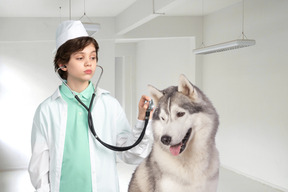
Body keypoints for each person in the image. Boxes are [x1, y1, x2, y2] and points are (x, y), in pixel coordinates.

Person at [28, 20, 153, 192]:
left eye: (92, 57)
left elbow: (131, 154)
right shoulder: (47, 110)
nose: (89, 63)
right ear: (62, 64)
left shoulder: (109, 104)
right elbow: (39, 167)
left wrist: (142, 119)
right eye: (80, 57)